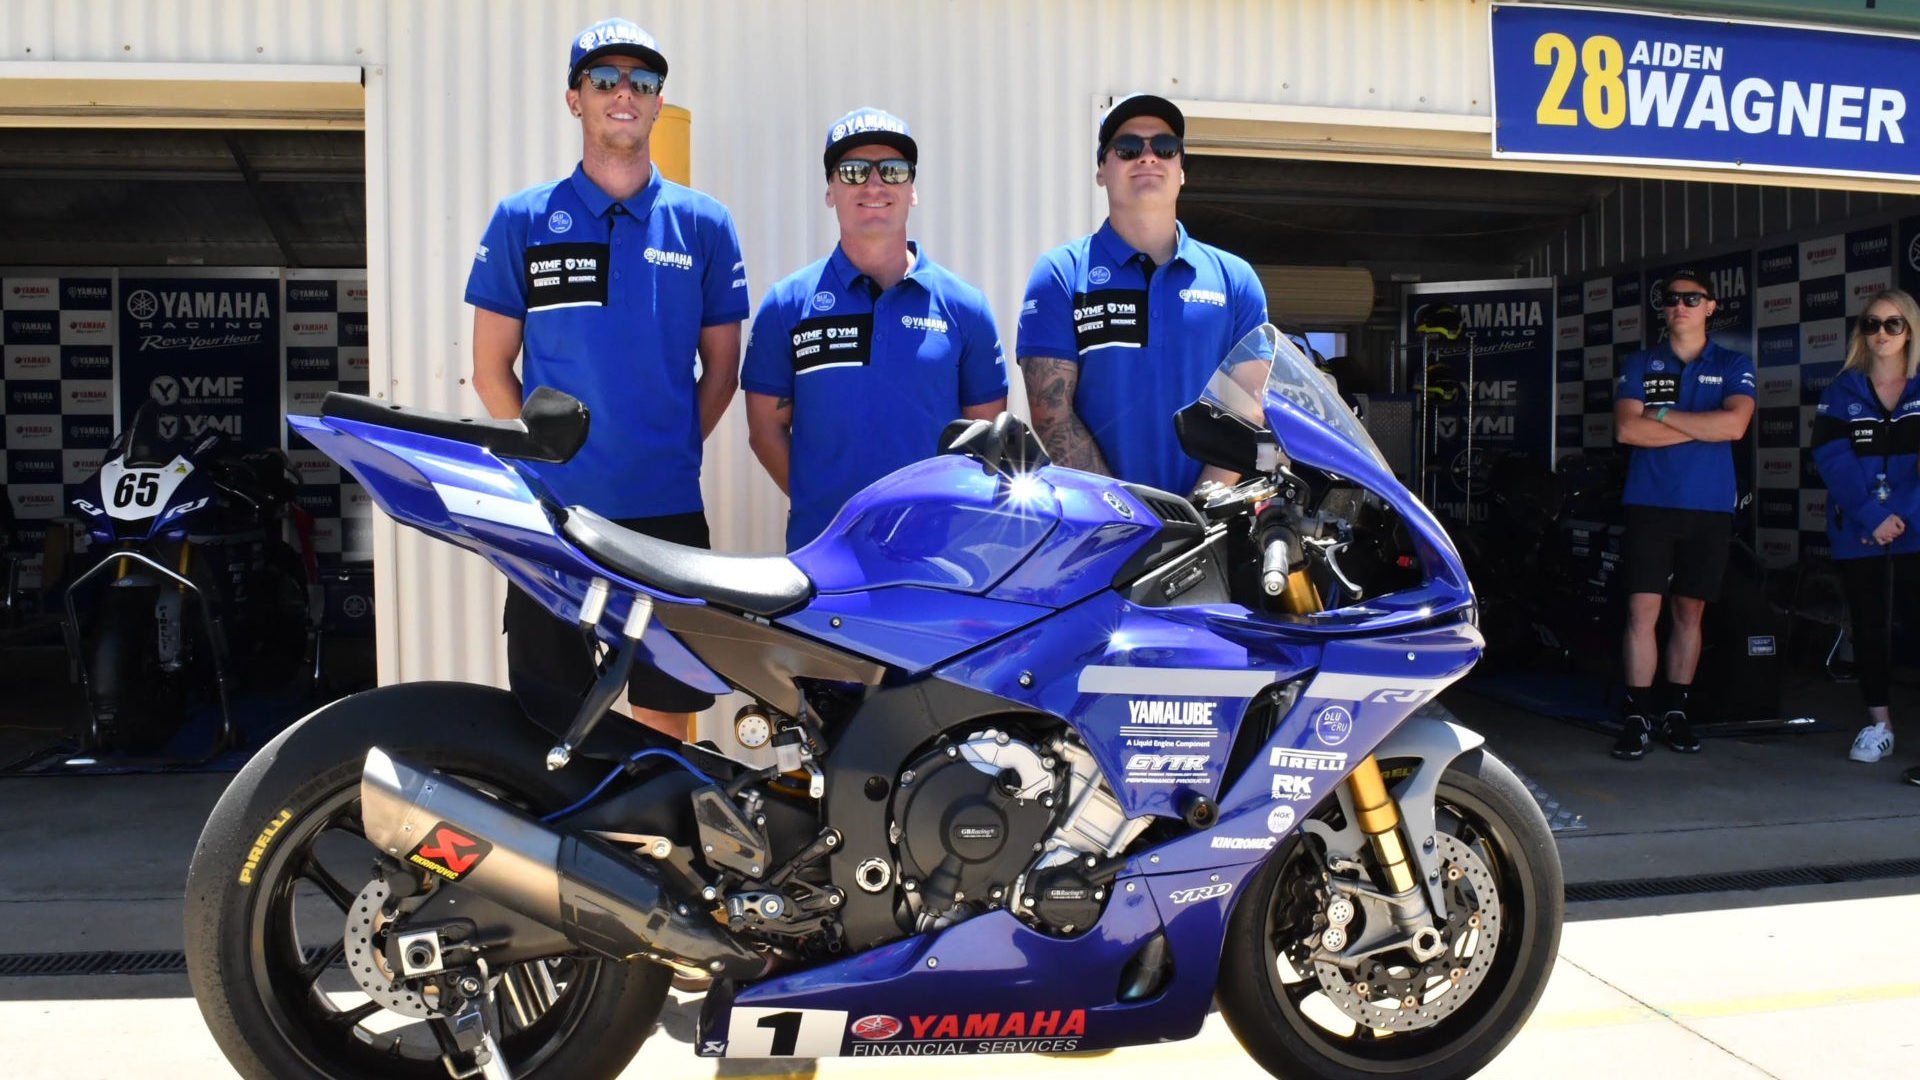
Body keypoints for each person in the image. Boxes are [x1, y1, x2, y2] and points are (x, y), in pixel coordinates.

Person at [464, 17, 749, 742]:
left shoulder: (705, 224)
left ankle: (660, 856)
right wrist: (541, 463)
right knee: (548, 719)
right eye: (604, 79)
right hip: (554, 517)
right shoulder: (523, 220)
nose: (624, 93)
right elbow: (490, 367)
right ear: (575, 98)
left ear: (658, 104)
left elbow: (722, 370)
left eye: (643, 82)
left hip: (666, 513)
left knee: (664, 713)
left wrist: (671, 440)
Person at [743, 108, 1007, 550]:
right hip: (823, 554)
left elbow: (985, 439)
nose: (874, 184)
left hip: (939, 560)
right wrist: (831, 509)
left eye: (893, 170)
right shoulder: (786, 305)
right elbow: (764, 431)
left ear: (912, 190)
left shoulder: (966, 307)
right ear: (830, 191)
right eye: (853, 171)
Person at [1016, 93, 1267, 496]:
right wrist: (1129, 521)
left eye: (1165, 147)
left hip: (1210, 532)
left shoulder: (1236, 280)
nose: (1148, 157)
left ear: (1181, 169)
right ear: (1101, 169)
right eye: (1128, 147)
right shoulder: (1060, 274)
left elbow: (1246, 407)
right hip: (1100, 531)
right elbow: (1052, 417)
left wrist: (1195, 516)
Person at [1610, 269, 1756, 760]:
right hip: (1649, 502)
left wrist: (1665, 416)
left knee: (1689, 612)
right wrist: (1703, 426)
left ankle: (1675, 711)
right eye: (1673, 299)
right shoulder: (1641, 361)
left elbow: (1735, 425)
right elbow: (1628, 431)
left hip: (1708, 506)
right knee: (1641, 612)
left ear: (1711, 306)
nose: (1682, 305)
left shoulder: (1734, 362)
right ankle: (1636, 714)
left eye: (1693, 298)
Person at [1809, 289, 1920, 770]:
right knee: (1870, 627)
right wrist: (1873, 517)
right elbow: (1832, 459)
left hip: (1916, 527)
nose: (1880, 333)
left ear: (1910, 330)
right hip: (1860, 530)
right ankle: (1880, 725)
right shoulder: (1841, 390)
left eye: (1892, 324)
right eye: (1871, 324)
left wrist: (1902, 512)